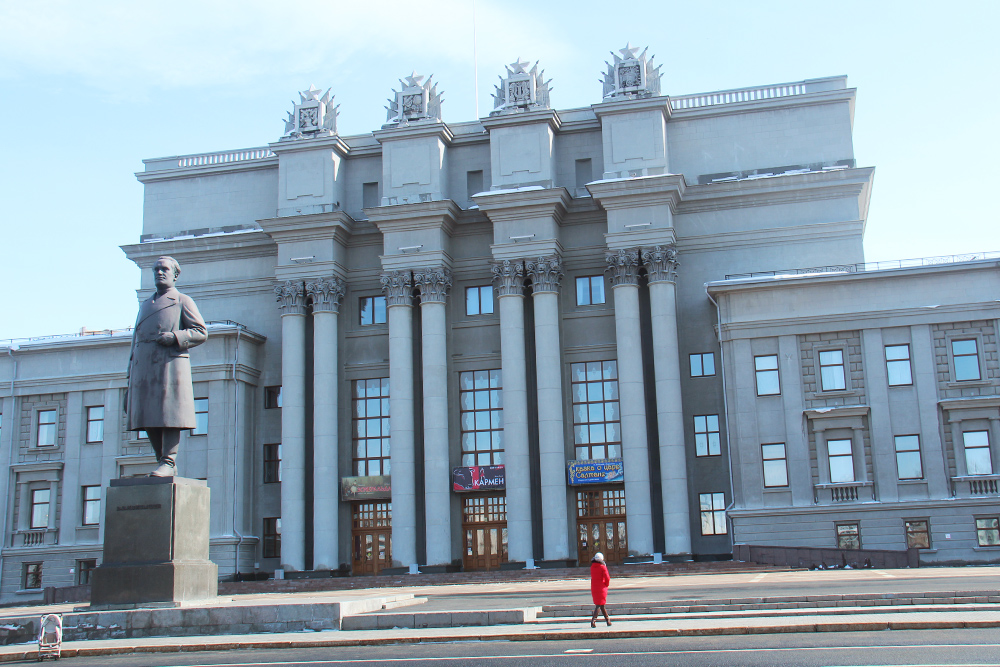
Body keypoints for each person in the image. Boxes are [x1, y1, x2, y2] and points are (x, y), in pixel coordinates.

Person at [125, 256, 207, 477]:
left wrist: (175, 336)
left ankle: (169, 461)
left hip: (169, 365)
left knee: (168, 414)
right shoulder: (145, 305)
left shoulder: (182, 300)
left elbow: (201, 331)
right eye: (156, 270)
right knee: (148, 415)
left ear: (175, 274)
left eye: (164, 269)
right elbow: (135, 342)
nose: (160, 273)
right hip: (144, 370)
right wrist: (130, 377)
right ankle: (161, 460)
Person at [590, 552, 612, 627]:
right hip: (601, 588)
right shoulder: (603, 567)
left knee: (601, 605)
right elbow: (607, 578)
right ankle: (593, 621)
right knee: (599, 605)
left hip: (594, 587)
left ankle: (608, 620)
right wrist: (606, 585)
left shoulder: (592, 567)